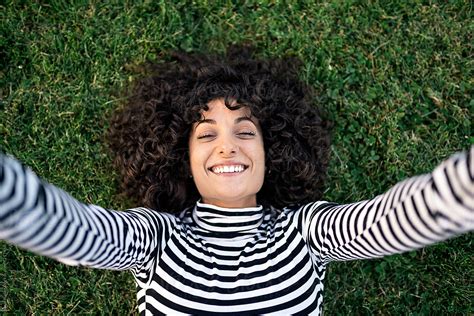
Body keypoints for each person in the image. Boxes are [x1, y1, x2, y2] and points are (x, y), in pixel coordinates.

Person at [0, 47, 472, 315]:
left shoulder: (305, 232)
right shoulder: (157, 238)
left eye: (246, 131)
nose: (227, 146)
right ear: (182, 159)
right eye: (206, 135)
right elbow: (74, 230)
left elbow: (395, 220)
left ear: (273, 154)